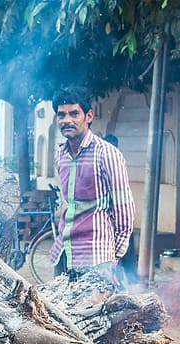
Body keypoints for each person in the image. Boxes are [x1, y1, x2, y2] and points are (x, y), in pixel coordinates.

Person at [50, 86, 135, 279]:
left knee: (92, 309)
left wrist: (114, 257)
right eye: (61, 115)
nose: (67, 120)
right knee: (58, 307)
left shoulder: (107, 153)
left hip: (96, 256)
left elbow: (124, 210)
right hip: (64, 252)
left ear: (88, 116)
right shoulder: (60, 155)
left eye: (74, 114)